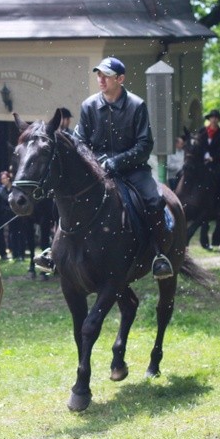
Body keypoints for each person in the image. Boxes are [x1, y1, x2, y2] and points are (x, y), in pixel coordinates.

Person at [73, 56, 172, 277]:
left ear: (120, 79)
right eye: (99, 74)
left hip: (133, 170)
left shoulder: (137, 105)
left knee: (154, 200)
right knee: (65, 193)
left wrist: (118, 161)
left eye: (106, 75)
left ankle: (159, 254)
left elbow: (145, 144)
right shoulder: (88, 105)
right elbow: (79, 141)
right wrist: (94, 162)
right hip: (96, 170)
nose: (101, 79)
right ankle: (55, 251)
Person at [197, 110, 220, 213]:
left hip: (215, 162)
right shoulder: (202, 131)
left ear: (218, 120)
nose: (214, 119)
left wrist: (212, 157)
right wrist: (204, 154)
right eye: (212, 117)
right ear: (209, 119)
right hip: (201, 161)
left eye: (216, 118)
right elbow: (198, 145)